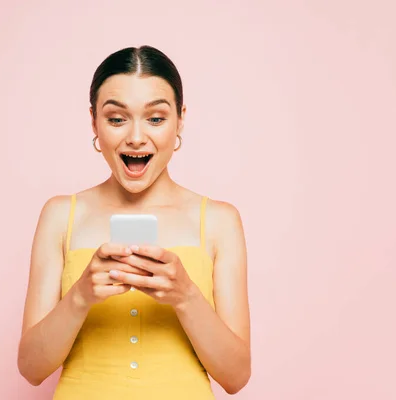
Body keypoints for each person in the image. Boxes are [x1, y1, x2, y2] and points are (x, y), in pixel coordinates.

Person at [17, 45, 251, 399]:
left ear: (180, 119)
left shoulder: (219, 221)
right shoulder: (61, 215)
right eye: (116, 119)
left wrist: (185, 295)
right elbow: (32, 369)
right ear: (94, 121)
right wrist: (80, 296)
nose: (137, 137)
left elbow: (236, 377)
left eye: (156, 119)